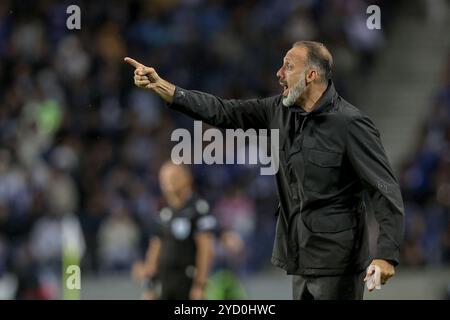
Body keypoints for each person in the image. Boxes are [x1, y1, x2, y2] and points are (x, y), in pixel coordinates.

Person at [124, 40, 405, 300]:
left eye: (288, 66)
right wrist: (165, 88)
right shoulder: (277, 111)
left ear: (311, 76)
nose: (279, 72)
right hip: (299, 258)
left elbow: (384, 188)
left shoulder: (350, 124)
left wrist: (387, 255)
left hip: (338, 262)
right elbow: (223, 111)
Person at [132, 161, 216, 300]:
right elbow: (155, 249)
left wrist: (200, 285)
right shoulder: (164, 213)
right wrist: (149, 283)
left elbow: (206, 249)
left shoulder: (198, 208)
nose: (168, 181)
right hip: (164, 282)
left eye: (174, 177)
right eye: (163, 178)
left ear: (187, 178)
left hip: (187, 281)